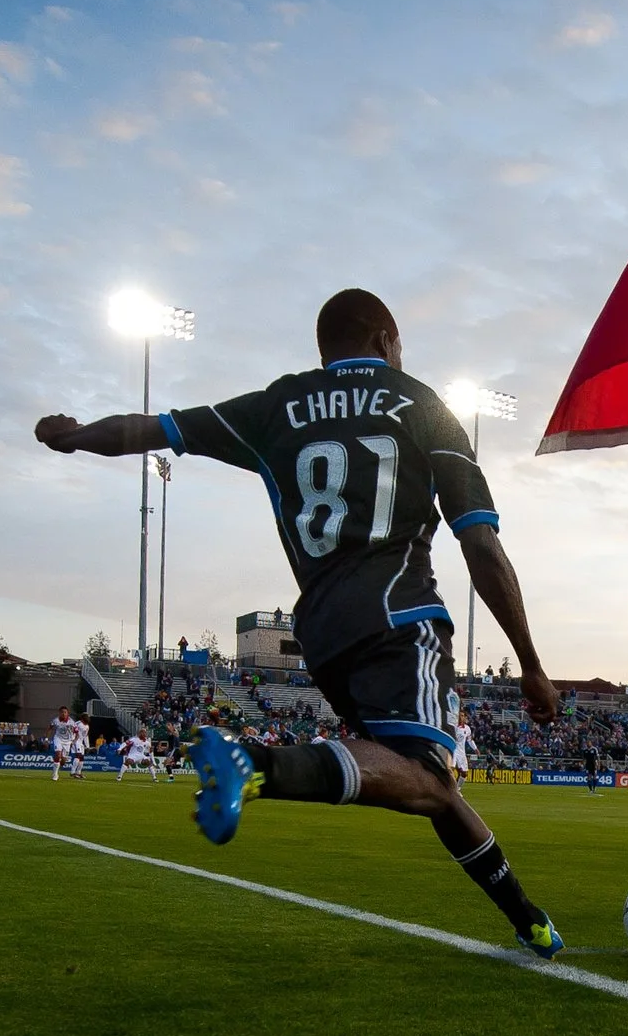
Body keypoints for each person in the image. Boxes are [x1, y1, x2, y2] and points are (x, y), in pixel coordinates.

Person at [34, 287, 567, 958]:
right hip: (400, 616)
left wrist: (74, 436)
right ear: (383, 338)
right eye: (399, 344)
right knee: (429, 773)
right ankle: (254, 764)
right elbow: (481, 545)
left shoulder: (275, 408)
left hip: (323, 633)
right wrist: (531, 665)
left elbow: (156, 429)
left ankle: (526, 917)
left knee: (419, 778)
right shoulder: (425, 407)